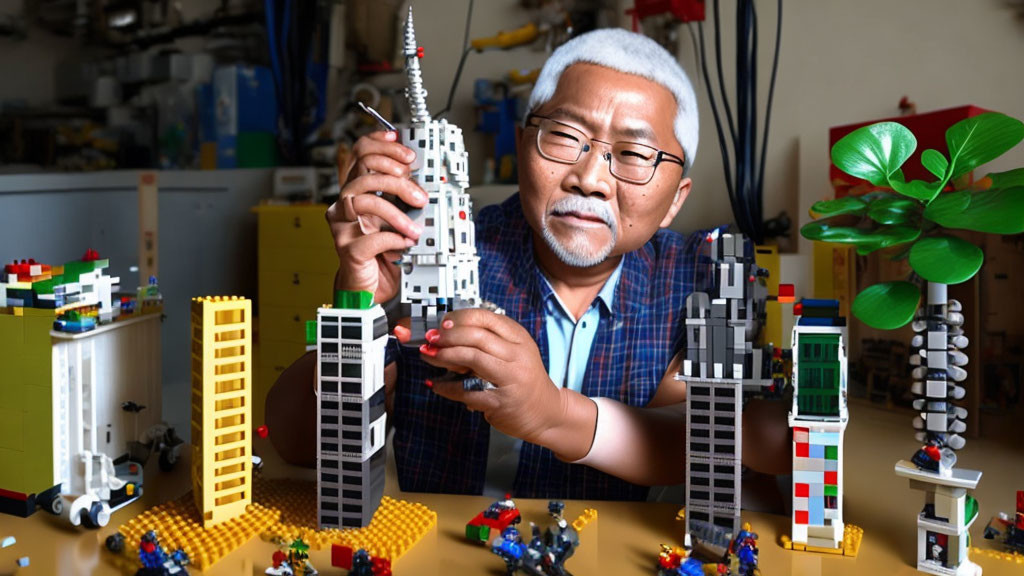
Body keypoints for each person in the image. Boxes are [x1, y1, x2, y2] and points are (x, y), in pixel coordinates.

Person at [322, 28, 790, 500]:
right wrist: (355, 302)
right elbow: (301, 441)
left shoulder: (701, 275)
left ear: (674, 200)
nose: (590, 179)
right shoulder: (437, 247)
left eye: (633, 155)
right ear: (523, 145)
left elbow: (698, 438)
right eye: (565, 137)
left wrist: (551, 413)